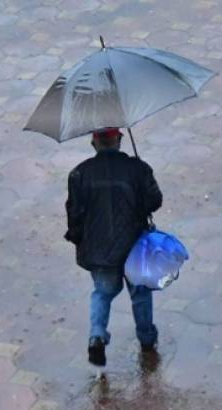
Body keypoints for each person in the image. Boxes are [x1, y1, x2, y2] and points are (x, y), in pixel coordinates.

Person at [65, 127, 162, 371]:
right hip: (133, 245)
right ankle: (146, 339)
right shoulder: (138, 169)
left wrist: (78, 239)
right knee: (140, 293)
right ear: (119, 140)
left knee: (102, 293)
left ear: (93, 143)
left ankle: (97, 334)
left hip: (98, 250)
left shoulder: (79, 173)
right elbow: (155, 201)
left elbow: (74, 214)